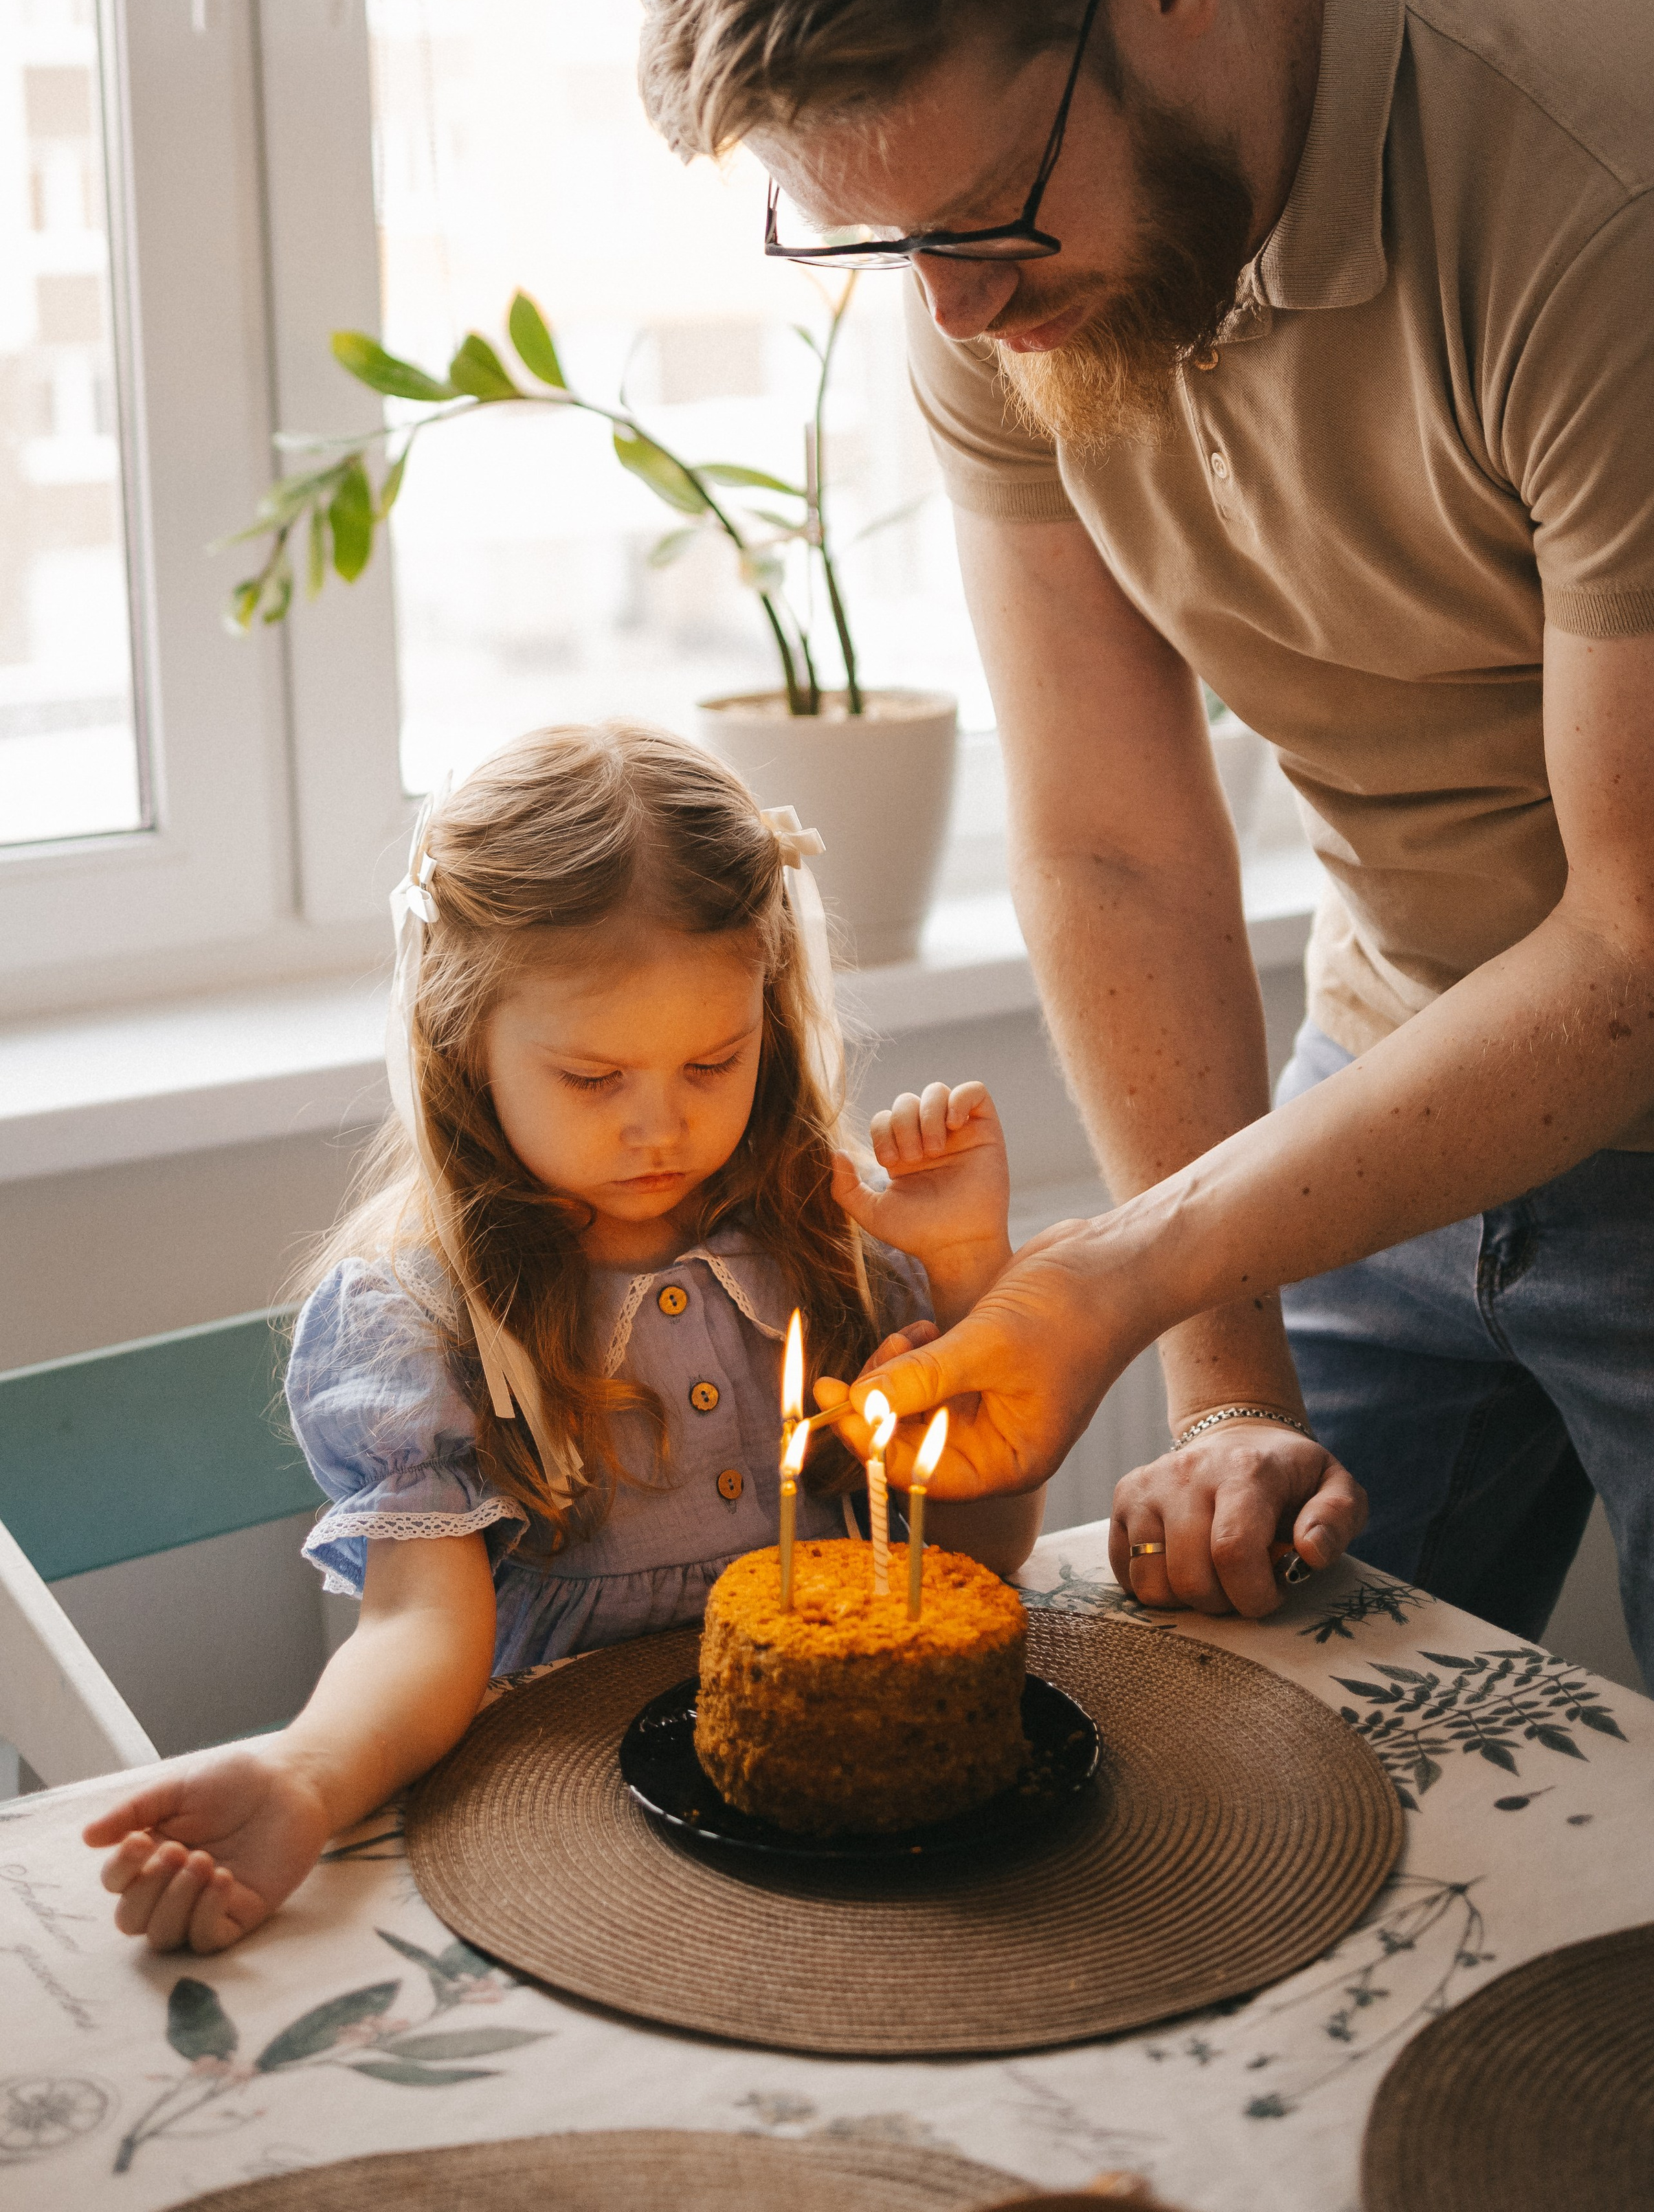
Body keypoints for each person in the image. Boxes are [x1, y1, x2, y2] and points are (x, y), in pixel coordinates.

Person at [637, 0, 1654, 1738]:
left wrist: (1121, 1265)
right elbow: (1110, 838)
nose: (957, 313)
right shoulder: (988, 262)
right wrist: (1224, 1372)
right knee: (1240, 1790)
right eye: (883, 249)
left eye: (977, 220)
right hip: (1385, 1083)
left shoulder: (1647, 199)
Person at [84, 722, 1041, 1952]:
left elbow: (977, 1557)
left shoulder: (837, 1246)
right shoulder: (420, 1321)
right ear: (459, 1039)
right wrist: (306, 1780)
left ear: (773, 1008)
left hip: (842, 1832)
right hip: (564, 1843)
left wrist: (970, 1281)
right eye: (594, 1080)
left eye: (715, 1059)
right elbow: (422, 1626)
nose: (662, 1127)